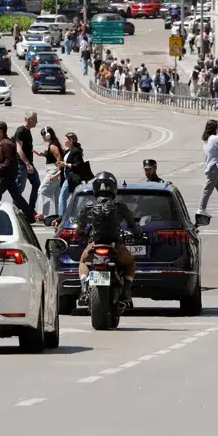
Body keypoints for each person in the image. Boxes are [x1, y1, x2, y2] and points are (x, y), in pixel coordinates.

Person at [74, 172, 137, 304]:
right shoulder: (120, 206)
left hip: (95, 244)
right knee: (130, 263)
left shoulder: (88, 206)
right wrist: (138, 233)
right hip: (115, 245)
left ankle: (84, 289)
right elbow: (133, 226)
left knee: (83, 262)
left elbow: (79, 229)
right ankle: (126, 290)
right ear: (113, 188)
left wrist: (83, 235)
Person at [0, 121, 36, 224]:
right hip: (5, 176)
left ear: (1, 131)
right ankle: (30, 216)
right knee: (16, 197)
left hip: (5, 176)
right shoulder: (1, 143)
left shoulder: (7, 144)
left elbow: (9, 161)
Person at [57, 131, 91, 220]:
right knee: (74, 198)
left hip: (72, 177)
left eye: (66, 140)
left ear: (70, 141)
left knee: (62, 197)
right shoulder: (68, 151)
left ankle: (62, 217)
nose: (64, 141)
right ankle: (75, 216)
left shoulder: (76, 152)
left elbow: (78, 165)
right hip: (67, 177)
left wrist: (66, 164)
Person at [36, 126, 64, 224]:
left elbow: (59, 158)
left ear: (48, 135)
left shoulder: (53, 146)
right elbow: (52, 156)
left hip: (53, 171)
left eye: (43, 135)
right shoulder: (52, 144)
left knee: (42, 190)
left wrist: (58, 173)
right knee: (57, 195)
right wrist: (43, 154)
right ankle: (59, 216)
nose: (42, 138)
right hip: (54, 170)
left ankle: (42, 214)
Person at [13, 112, 39, 204]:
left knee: (37, 184)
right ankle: (15, 209)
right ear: (28, 120)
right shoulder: (21, 131)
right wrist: (27, 164)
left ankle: (31, 208)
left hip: (29, 164)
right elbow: (19, 149)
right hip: (22, 165)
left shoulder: (28, 131)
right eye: (35, 119)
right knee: (19, 189)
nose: (37, 121)